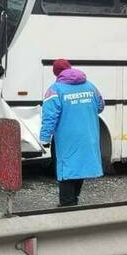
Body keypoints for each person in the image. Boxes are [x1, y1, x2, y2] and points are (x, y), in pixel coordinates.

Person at [39, 59, 105, 207]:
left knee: (66, 168)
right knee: (80, 166)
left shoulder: (55, 90)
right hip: (88, 135)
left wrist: (45, 138)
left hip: (67, 137)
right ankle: (73, 199)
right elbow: (100, 106)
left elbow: (50, 116)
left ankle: (67, 204)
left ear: (56, 72)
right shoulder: (90, 86)